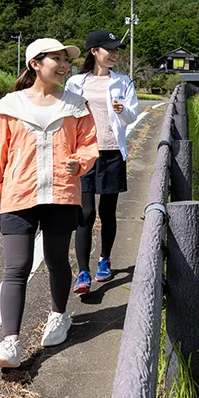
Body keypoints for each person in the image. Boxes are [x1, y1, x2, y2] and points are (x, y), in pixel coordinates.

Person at [0, 38, 99, 369]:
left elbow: (89, 145)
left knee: (57, 259)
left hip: (61, 194)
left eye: (66, 60)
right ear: (36, 64)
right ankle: (10, 342)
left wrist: (81, 161)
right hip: (20, 195)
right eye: (56, 59)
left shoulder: (76, 104)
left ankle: (60, 315)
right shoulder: (10, 105)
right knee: (16, 267)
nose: (64, 65)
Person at [64, 30, 139, 294]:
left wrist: (123, 111)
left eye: (117, 50)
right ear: (94, 51)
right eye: (110, 50)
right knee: (85, 213)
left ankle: (104, 260)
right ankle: (83, 272)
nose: (115, 54)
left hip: (111, 153)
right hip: (85, 153)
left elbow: (132, 116)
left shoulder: (123, 82)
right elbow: (67, 116)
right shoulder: (75, 83)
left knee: (107, 212)